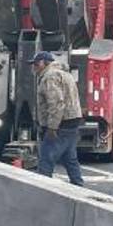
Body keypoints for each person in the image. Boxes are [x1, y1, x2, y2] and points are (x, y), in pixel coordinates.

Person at [32, 51, 83, 186]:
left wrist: (52, 127)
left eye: (36, 64)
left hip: (60, 123)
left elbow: (56, 103)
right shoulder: (65, 74)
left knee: (46, 159)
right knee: (70, 158)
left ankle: (44, 190)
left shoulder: (50, 76)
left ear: (44, 63)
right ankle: (78, 185)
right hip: (72, 119)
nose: (34, 67)